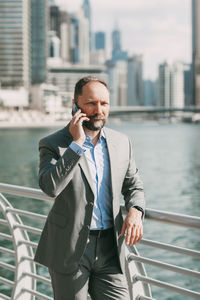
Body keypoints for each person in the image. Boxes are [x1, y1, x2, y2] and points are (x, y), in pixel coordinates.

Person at [34, 76, 145, 300]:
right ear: (75, 105)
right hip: (69, 248)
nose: (99, 110)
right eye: (91, 103)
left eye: (104, 103)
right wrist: (76, 145)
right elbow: (50, 187)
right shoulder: (53, 143)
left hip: (111, 247)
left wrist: (135, 210)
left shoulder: (122, 142)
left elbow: (134, 185)